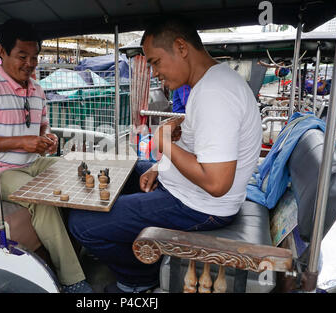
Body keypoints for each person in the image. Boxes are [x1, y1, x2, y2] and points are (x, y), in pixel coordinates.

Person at [68, 16, 262, 293]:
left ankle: (139, 278)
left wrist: (163, 142)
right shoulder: (212, 83)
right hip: (187, 191)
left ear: (181, 47)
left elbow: (217, 184)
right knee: (121, 170)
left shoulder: (214, 93)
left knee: (82, 223)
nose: (155, 73)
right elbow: (201, 146)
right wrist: (161, 166)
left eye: (156, 62)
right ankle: (124, 238)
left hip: (200, 207)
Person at [0, 19, 92, 293]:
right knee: (41, 198)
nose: (30, 64)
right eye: (22, 56)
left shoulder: (38, 89)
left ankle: (91, 243)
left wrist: (48, 136)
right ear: (2, 52)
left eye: (34, 57)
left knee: (78, 172)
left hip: (33, 162)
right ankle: (73, 281)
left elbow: (43, 125)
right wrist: (22, 141)